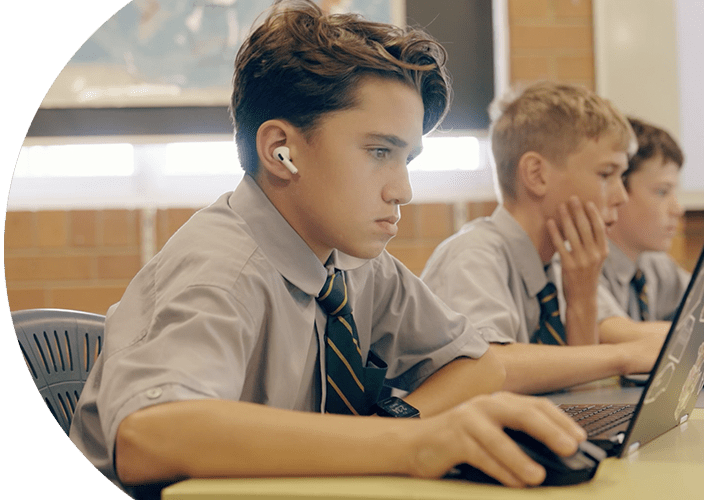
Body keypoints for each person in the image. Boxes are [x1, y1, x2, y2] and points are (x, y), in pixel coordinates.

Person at [68, 2, 586, 497]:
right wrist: (411, 444)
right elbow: (146, 437)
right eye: (379, 152)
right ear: (281, 151)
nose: (402, 190)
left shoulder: (355, 264)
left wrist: (394, 430)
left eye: (407, 159)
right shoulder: (219, 272)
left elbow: (477, 366)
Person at [421, 81, 666, 395]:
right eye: (606, 174)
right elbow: (489, 368)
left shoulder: (565, 265)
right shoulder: (473, 256)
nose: (620, 196)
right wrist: (624, 356)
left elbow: (585, 395)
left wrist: (582, 300)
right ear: (536, 175)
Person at [597, 117, 690, 342]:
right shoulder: (582, 259)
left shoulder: (653, 263)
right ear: (617, 190)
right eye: (662, 192)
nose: (677, 209)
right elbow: (614, 332)